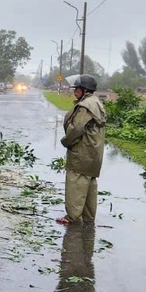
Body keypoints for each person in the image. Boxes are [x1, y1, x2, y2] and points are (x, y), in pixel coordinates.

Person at [56, 74, 106, 225]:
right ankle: (88, 217)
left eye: (77, 89)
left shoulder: (85, 106)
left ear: (84, 90)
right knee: (90, 184)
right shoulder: (96, 102)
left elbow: (77, 128)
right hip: (94, 153)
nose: (74, 91)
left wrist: (66, 141)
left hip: (82, 152)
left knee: (76, 183)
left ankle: (72, 217)